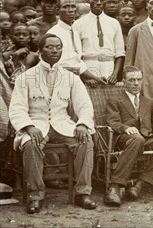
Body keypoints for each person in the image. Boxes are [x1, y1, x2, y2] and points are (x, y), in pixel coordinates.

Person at [9, 33, 97, 213]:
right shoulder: (25, 77)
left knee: (85, 140)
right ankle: (35, 196)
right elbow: (17, 108)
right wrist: (28, 126)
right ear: (40, 50)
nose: (55, 50)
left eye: (58, 47)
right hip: (36, 124)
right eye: (50, 47)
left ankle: (82, 193)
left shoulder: (70, 77)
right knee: (31, 145)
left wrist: (81, 124)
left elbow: (84, 105)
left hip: (62, 124)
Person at [104, 66, 153, 206]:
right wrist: (125, 128)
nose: (136, 83)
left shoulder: (148, 101)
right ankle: (114, 186)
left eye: (139, 79)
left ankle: (140, 184)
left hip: (146, 138)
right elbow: (112, 121)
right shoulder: (115, 100)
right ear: (124, 82)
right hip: (125, 139)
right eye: (132, 80)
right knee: (137, 139)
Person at [73, 0, 125, 85]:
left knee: (109, 99)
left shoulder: (114, 23)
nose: (99, 3)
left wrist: (114, 74)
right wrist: (84, 76)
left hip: (109, 66)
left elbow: (119, 53)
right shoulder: (78, 24)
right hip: (88, 66)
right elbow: (76, 55)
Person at [47, 0, 105, 84]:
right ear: (57, 10)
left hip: (74, 80)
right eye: (66, 7)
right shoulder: (53, 34)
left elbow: (76, 61)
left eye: (73, 6)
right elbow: (50, 63)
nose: (70, 10)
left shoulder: (74, 31)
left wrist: (96, 78)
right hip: (57, 80)